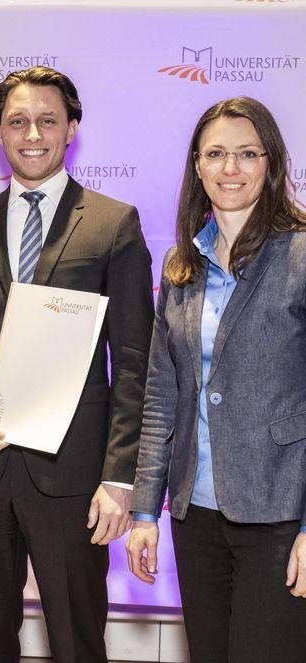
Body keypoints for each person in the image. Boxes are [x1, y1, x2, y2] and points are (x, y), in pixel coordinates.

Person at [0, 66, 154, 663]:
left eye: (47, 120)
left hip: (74, 480)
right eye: (17, 120)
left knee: (77, 642)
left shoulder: (112, 222)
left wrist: (119, 479)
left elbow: (134, 361)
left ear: (71, 128)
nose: (32, 133)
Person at [127, 97, 306, 662]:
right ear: (197, 167)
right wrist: (144, 511)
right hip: (195, 516)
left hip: (280, 512)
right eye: (217, 154)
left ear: (272, 164)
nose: (231, 168)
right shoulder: (181, 265)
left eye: (247, 154)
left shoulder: (300, 254)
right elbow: (161, 397)